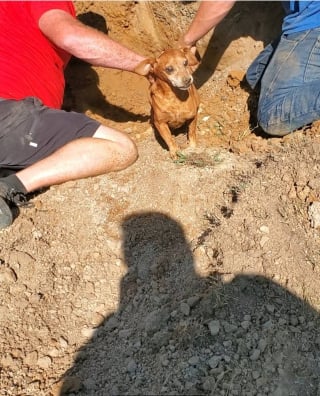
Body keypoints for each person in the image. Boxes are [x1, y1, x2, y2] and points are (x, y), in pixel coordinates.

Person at [0, 1, 148, 229]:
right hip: (9, 115)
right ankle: (10, 186)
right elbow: (70, 37)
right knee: (120, 147)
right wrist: (147, 65)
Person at [179, 1, 320, 136]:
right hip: (303, 21)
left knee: (272, 115)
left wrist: (186, 42)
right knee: (255, 75)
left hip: (313, 24)